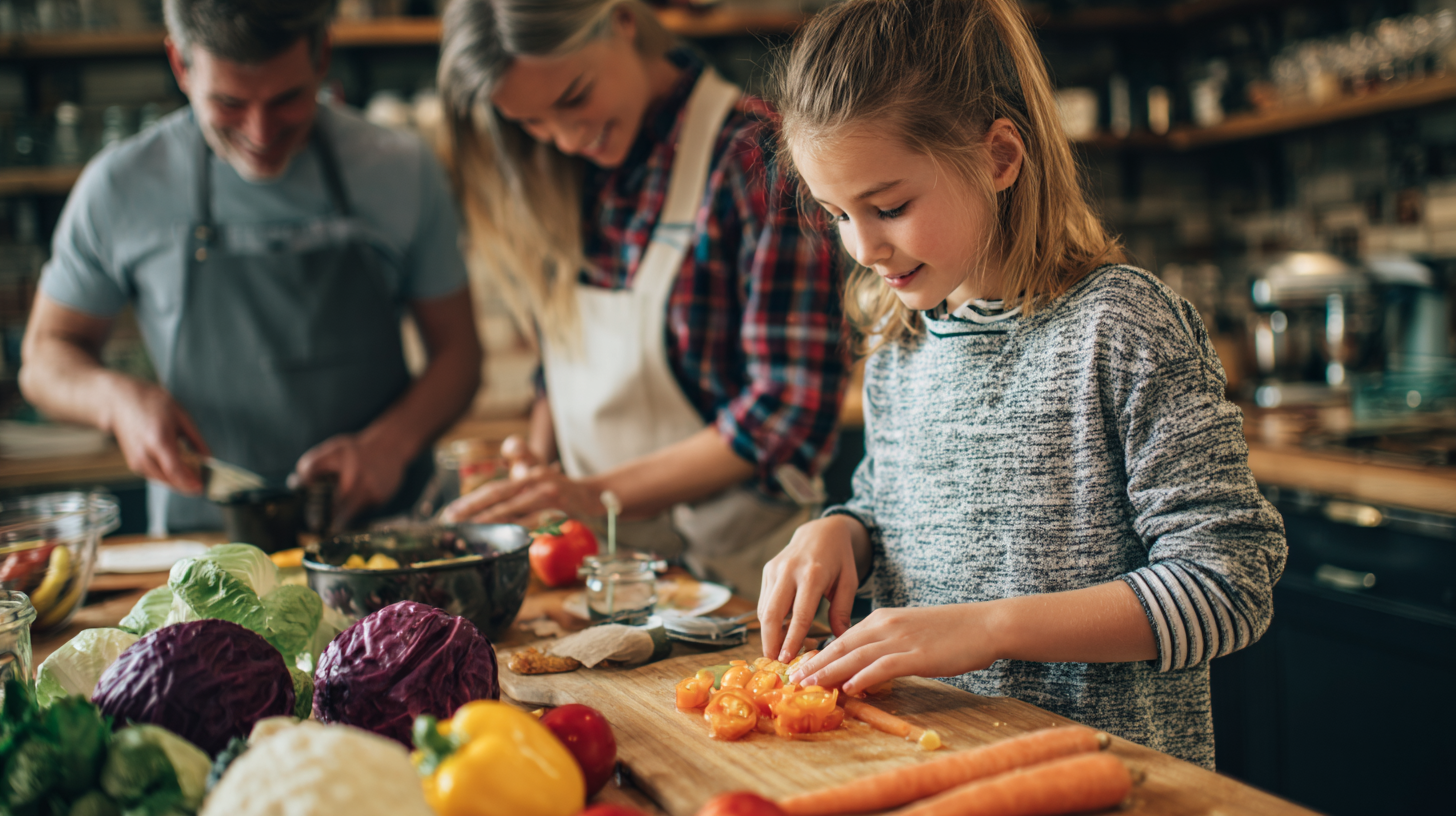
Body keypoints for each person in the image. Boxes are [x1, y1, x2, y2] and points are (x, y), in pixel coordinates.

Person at [758, 0, 1286, 768]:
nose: (864, 247)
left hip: (1104, 780)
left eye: (891, 206)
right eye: (838, 213)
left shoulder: (1121, 327)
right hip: (935, 772)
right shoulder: (904, 340)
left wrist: (986, 627)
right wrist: (843, 529)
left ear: (999, 157)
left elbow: (1229, 584)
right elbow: (891, 504)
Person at [434, 0, 848, 598]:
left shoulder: (757, 157)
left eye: (574, 96)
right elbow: (564, 360)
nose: (567, 138)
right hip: (596, 564)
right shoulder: (563, 169)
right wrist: (537, 475)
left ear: (623, 18)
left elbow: (786, 409)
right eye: (533, 122)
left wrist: (591, 495)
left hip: (733, 574)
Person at [20, 0, 482, 533]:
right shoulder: (119, 187)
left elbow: (459, 355)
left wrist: (390, 444)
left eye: (287, 99)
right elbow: (45, 359)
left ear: (322, 55)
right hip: (204, 547)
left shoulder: (402, 169)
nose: (260, 132)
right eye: (229, 103)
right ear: (180, 64)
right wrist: (118, 401)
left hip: (383, 544)